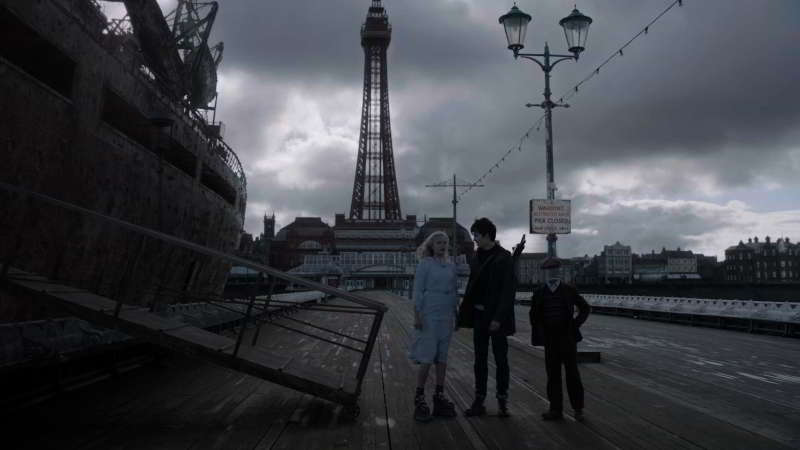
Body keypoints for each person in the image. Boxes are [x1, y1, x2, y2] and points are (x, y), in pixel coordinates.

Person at [457, 218, 516, 417]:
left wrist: (498, 318)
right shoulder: (475, 258)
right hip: (479, 316)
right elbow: (472, 288)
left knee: (501, 360)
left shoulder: (504, 257)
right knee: (479, 360)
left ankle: (502, 400)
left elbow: (508, 291)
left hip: (497, 318)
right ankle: (479, 400)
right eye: (473, 235)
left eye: (477, 235)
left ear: (487, 235)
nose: (474, 239)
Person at [529, 257, 591, 422]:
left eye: (555, 270)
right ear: (545, 273)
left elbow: (585, 308)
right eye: (549, 271)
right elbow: (533, 316)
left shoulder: (569, 290)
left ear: (559, 271)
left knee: (573, 375)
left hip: (567, 338)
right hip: (550, 339)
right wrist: (540, 332)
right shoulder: (539, 292)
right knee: (553, 375)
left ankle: (578, 409)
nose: (552, 273)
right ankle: (555, 409)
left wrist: (575, 325)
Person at [410, 231, 459, 422]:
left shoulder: (451, 266)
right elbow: (418, 291)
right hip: (430, 312)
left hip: (447, 313)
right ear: (431, 245)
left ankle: (439, 395)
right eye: (439, 242)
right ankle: (419, 396)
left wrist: (456, 313)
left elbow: (455, 291)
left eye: (445, 242)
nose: (443, 245)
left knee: (442, 357)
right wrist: (417, 316)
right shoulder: (425, 265)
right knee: (427, 357)